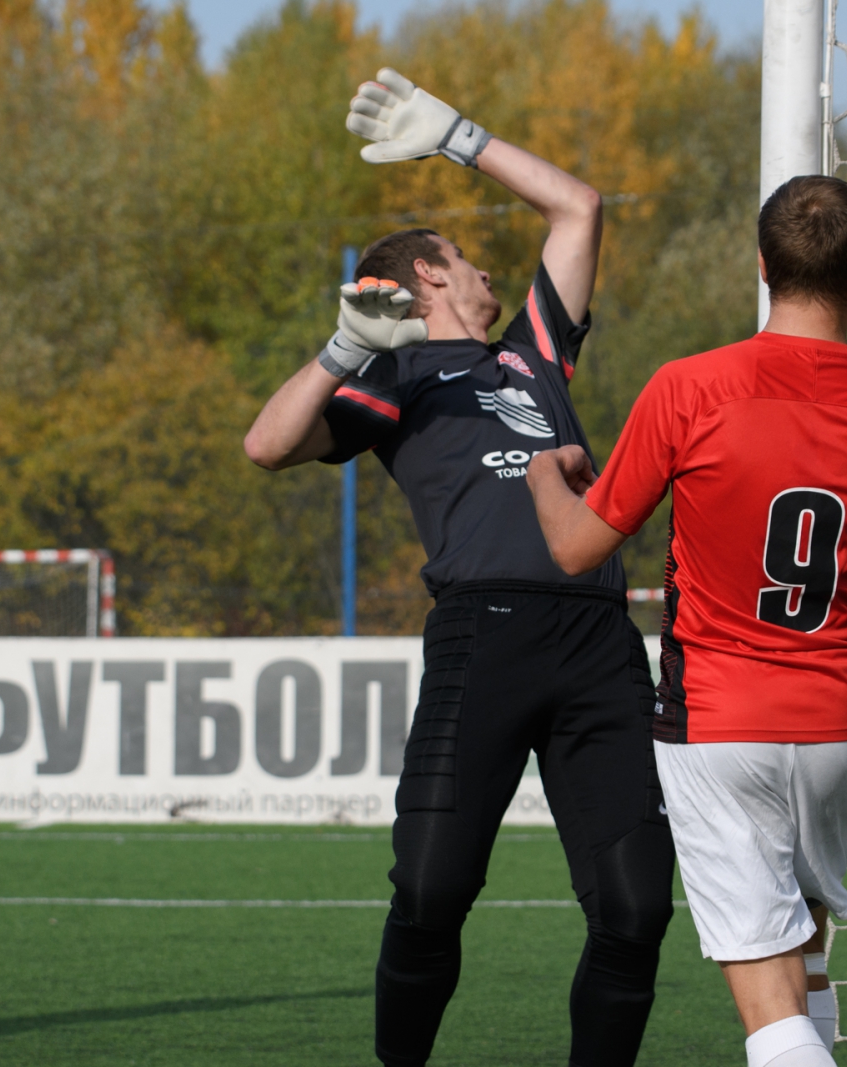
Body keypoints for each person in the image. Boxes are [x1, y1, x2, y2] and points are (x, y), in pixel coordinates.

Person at [243, 69, 674, 1067]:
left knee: (635, 904)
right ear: (429, 276)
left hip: (597, 639)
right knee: (431, 891)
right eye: (469, 259)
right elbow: (268, 445)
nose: (488, 272)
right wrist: (345, 345)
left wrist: (456, 136)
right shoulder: (393, 378)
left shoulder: (532, 353)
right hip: (483, 640)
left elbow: (579, 205)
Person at [528, 175, 847, 1067]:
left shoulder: (689, 387)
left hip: (719, 721)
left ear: (762, 265)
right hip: (834, 723)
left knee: (770, 1012)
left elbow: (575, 548)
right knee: (805, 963)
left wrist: (540, 479)